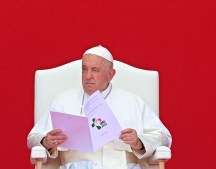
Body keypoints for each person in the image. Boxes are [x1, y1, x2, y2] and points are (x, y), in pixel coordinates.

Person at [27, 45, 172, 169]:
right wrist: (47, 141)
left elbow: (163, 137)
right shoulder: (63, 100)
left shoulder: (133, 100)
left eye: (95, 70)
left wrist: (139, 142)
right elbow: (33, 137)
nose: (88, 76)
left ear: (111, 74)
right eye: (84, 69)